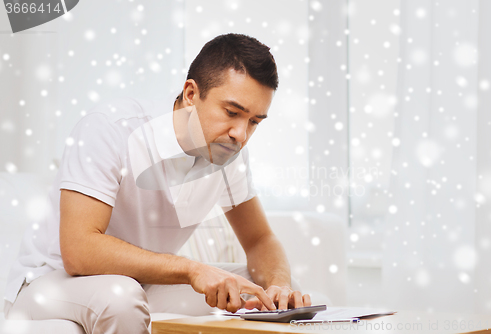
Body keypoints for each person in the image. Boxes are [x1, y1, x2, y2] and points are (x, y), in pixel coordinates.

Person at [3, 33, 311, 333]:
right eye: (232, 112)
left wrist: (279, 287)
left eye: (254, 122)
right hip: (50, 283)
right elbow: (79, 250)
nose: (241, 134)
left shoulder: (227, 153)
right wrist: (193, 269)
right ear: (191, 94)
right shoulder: (110, 128)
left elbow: (259, 240)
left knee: (268, 295)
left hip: (141, 284)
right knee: (121, 296)